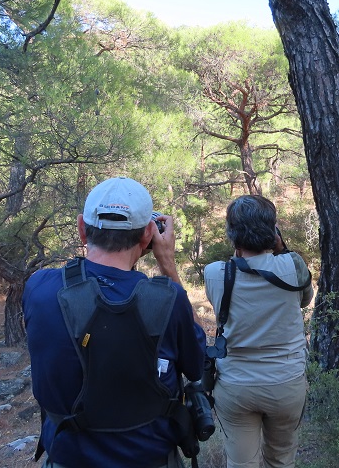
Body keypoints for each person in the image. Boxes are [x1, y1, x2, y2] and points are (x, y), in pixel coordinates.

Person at [24, 176, 206, 467]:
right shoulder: (169, 299)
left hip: (68, 458)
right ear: (148, 235)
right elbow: (197, 366)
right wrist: (167, 264)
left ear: (82, 228)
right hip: (150, 459)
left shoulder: (39, 288)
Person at [204, 195, 313, 468]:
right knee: (281, 460)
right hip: (286, 383)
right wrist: (281, 247)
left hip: (236, 385)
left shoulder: (216, 273)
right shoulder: (293, 265)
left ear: (232, 234)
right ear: (273, 231)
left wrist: (238, 251)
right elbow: (304, 299)